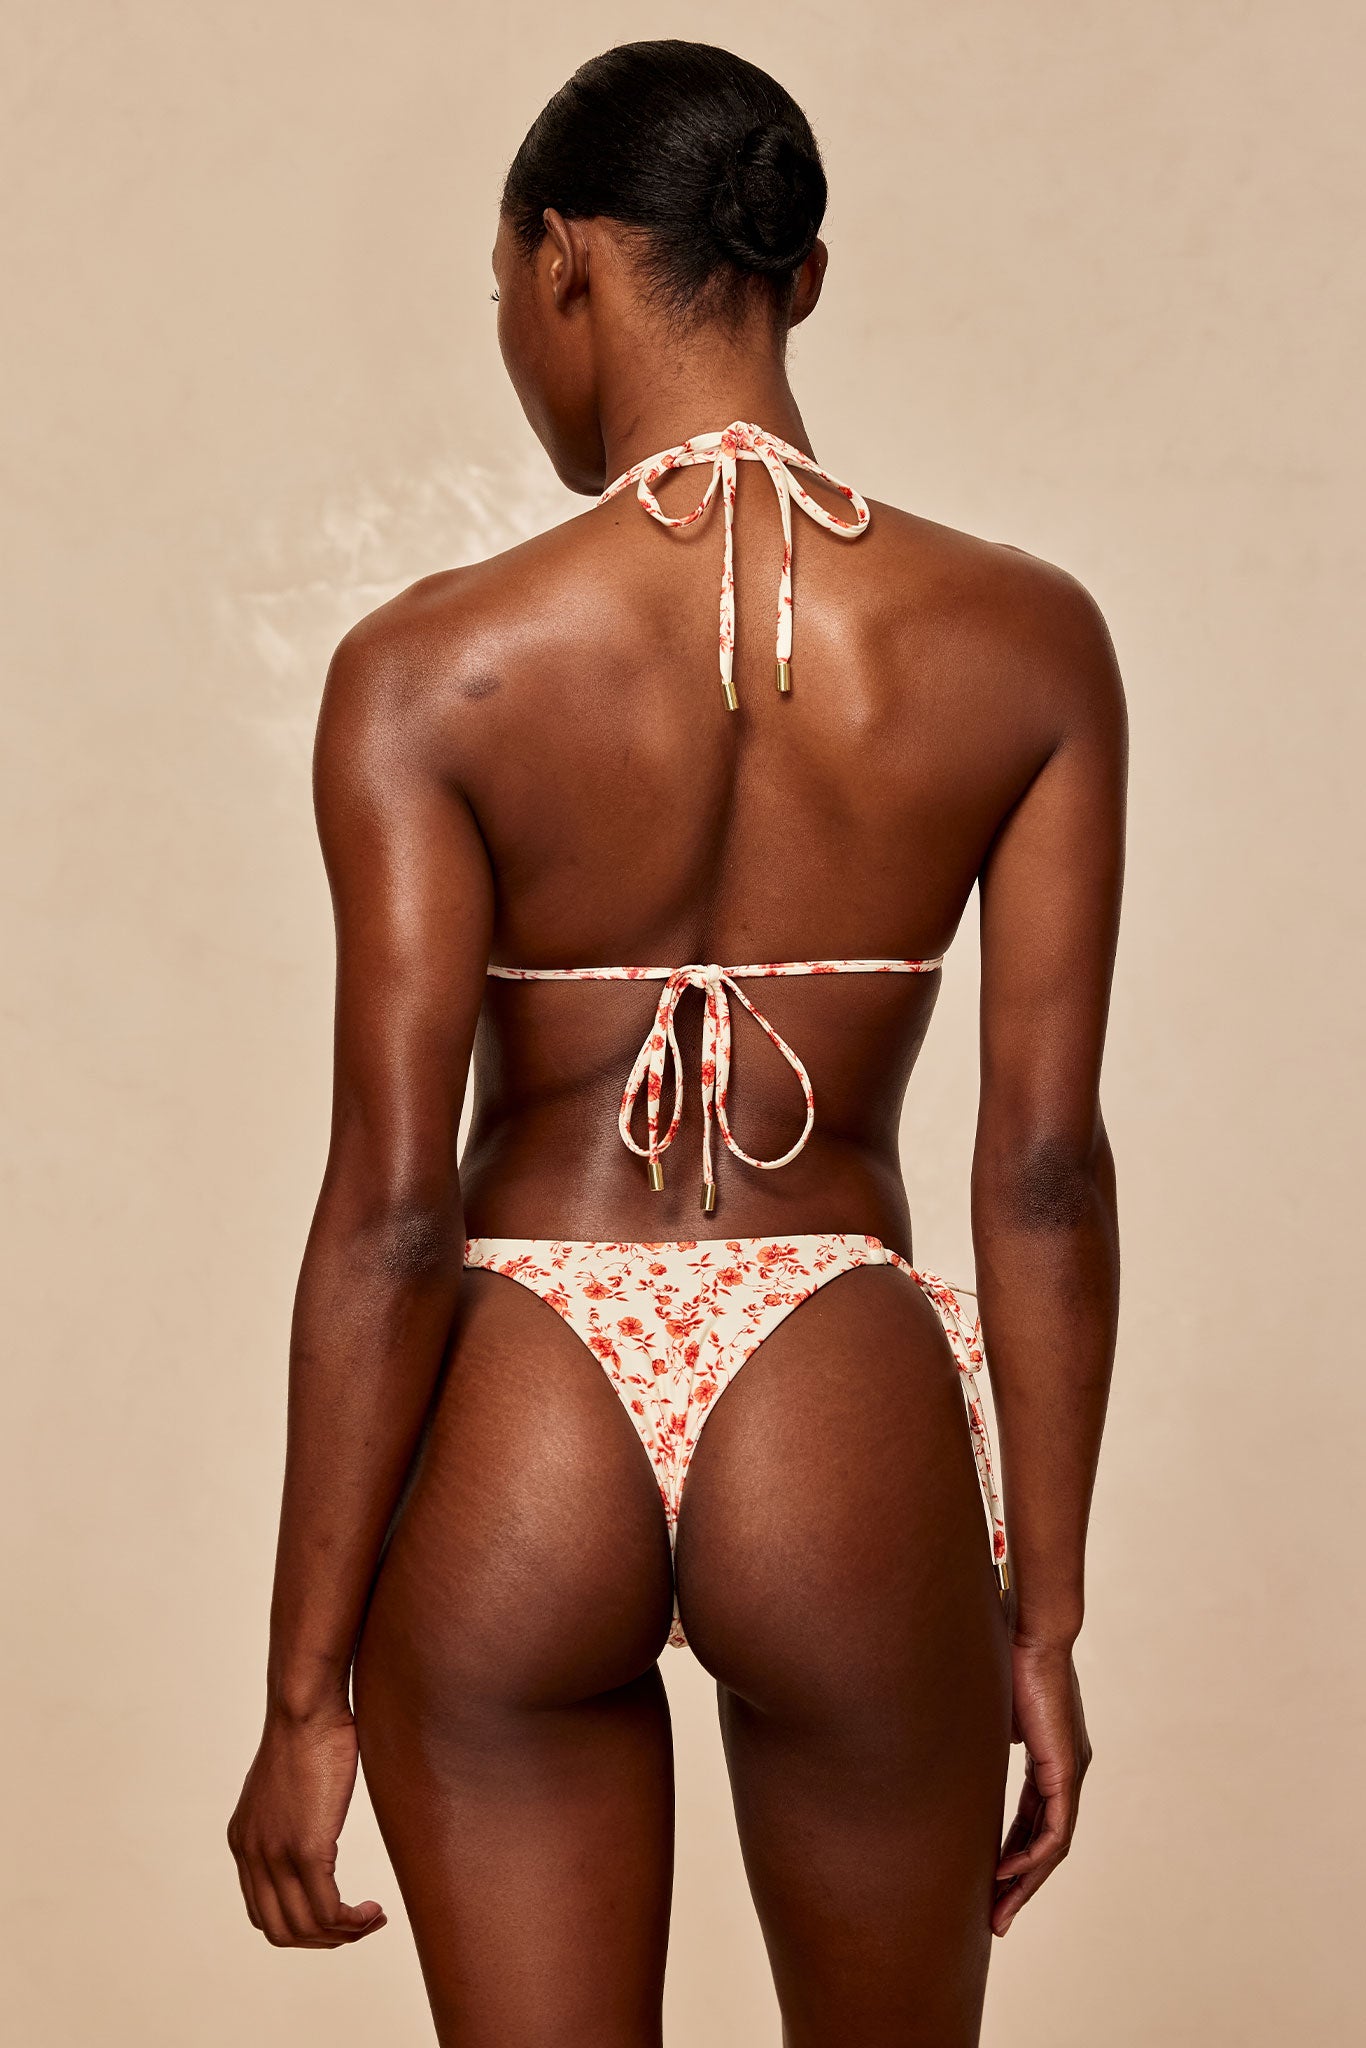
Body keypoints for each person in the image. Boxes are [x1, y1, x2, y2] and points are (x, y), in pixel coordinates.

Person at [227, 37, 1124, 2048]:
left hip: (522, 1382)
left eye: (499, 298)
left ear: (559, 265)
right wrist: (1041, 1619)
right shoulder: (1024, 639)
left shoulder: (427, 671)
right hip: (836, 1370)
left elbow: (384, 1213)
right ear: (793, 275)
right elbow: (1043, 1168)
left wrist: (304, 1698)